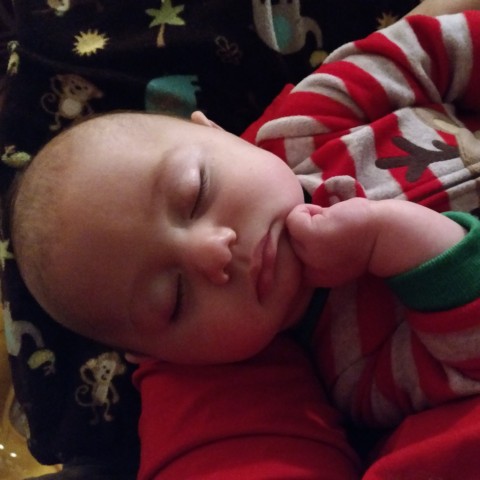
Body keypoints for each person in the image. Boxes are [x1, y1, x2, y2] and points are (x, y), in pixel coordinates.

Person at [8, 8, 480, 479]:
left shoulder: (302, 126)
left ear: (215, 131)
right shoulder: (353, 369)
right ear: (168, 357)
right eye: (174, 298)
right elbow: (470, 359)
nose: (212, 252)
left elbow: (416, 53)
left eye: (196, 193)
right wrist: (396, 239)